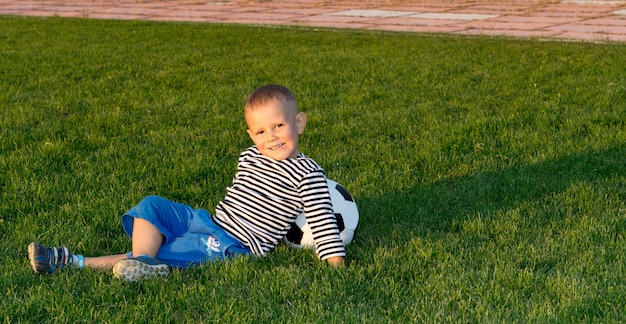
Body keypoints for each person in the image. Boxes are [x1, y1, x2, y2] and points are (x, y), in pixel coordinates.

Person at [28, 84, 346, 281]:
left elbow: (322, 219)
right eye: (261, 132)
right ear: (251, 135)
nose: (271, 137)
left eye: (279, 125)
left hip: (233, 245)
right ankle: (144, 261)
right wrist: (199, 223)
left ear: (299, 122)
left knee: (169, 249)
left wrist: (335, 265)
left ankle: (70, 262)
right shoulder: (249, 155)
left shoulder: (307, 174)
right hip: (206, 220)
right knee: (152, 205)